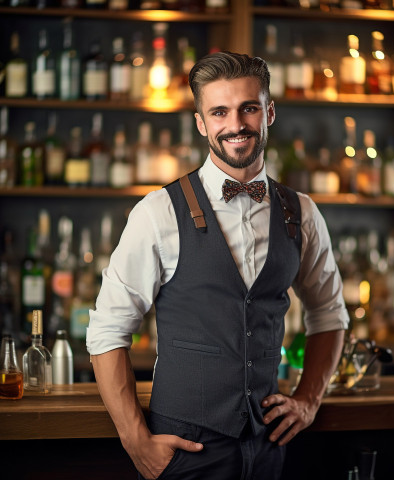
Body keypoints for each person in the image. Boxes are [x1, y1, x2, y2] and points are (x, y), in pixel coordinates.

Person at [87, 51, 349, 480]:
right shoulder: (158, 212)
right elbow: (107, 330)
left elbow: (330, 314)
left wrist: (308, 399)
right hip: (184, 450)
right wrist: (136, 441)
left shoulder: (301, 212)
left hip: (269, 447)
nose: (236, 125)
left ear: (269, 112)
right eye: (219, 111)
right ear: (201, 123)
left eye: (248, 108)